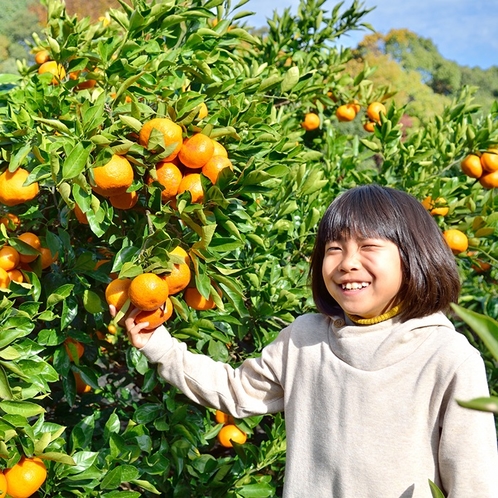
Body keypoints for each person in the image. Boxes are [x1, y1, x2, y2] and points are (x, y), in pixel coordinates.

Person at [119, 184, 498, 497]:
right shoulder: (305, 339)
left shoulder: (447, 358)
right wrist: (160, 345)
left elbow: (473, 481)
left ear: (414, 256)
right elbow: (234, 391)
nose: (348, 262)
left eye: (368, 247)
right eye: (335, 248)